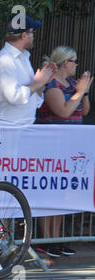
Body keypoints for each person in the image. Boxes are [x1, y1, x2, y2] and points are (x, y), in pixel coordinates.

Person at [35, 45, 92, 257]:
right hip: (51, 146)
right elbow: (64, 111)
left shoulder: (70, 84)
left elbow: (83, 110)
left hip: (70, 146)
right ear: (65, 63)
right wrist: (78, 92)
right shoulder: (52, 85)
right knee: (48, 190)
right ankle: (45, 240)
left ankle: (56, 238)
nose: (76, 65)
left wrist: (83, 92)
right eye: (74, 60)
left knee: (62, 192)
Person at [0, 14, 57, 125]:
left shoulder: (23, 57)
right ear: (24, 35)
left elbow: (33, 100)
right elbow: (14, 97)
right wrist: (38, 82)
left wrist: (43, 82)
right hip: (7, 127)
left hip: (23, 126)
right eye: (32, 32)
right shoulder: (4, 60)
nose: (34, 36)